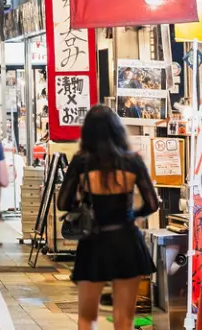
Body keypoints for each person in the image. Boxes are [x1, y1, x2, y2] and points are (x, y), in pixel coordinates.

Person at [58, 105, 159, 330]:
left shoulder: (81, 161)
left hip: (93, 241)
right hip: (127, 240)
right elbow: (152, 203)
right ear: (117, 130)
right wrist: (133, 215)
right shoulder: (133, 161)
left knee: (87, 316)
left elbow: (62, 203)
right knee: (124, 319)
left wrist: (83, 202)